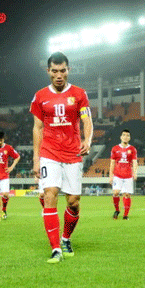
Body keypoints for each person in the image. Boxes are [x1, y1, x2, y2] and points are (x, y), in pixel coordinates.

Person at [30, 52, 93, 263]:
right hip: (49, 152)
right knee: (50, 194)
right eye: (55, 71)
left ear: (69, 70)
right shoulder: (40, 96)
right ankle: (55, 247)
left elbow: (86, 120)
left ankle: (66, 238)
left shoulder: (79, 93)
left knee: (73, 202)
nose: (59, 75)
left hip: (73, 153)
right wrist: (36, 160)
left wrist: (88, 140)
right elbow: (37, 128)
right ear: (48, 71)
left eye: (63, 70)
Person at [109, 129, 138, 220]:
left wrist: (135, 173)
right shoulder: (115, 148)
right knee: (116, 192)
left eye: (128, 135)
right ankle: (117, 210)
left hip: (128, 175)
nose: (126, 137)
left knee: (127, 194)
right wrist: (110, 176)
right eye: (124, 135)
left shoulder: (132, 149)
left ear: (129, 138)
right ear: (121, 137)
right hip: (117, 175)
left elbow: (135, 162)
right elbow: (112, 163)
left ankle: (125, 215)